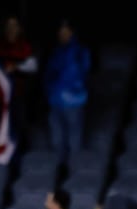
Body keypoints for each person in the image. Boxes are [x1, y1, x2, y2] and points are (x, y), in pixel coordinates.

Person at [44, 21, 90, 163]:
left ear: (72, 33)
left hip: (73, 102)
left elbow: (79, 74)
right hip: (55, 102)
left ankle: (75, 173)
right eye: (60, 32)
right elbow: (48, 74)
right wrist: (50, 92)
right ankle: (58, 174)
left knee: (74, 140)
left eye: (65, 32)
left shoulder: (80, 52)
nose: (62, 35)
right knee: (57, 139)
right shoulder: (56, 51)